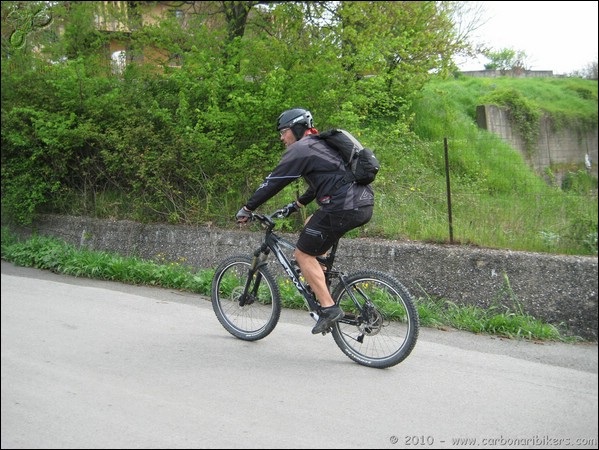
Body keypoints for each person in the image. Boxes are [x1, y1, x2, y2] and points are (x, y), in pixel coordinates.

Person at [236, 108, 375, 334]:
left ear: (297, 128)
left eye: (284, 131)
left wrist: (247, 208)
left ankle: (329, 309)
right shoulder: (322, 144)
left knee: (302, 254)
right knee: (312, 222)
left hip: (342, 207)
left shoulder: (301, 149)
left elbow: (274, 181)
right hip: (362, 203)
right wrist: (296, 205)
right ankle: (321, 285)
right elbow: (326, 180)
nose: (281, 138)